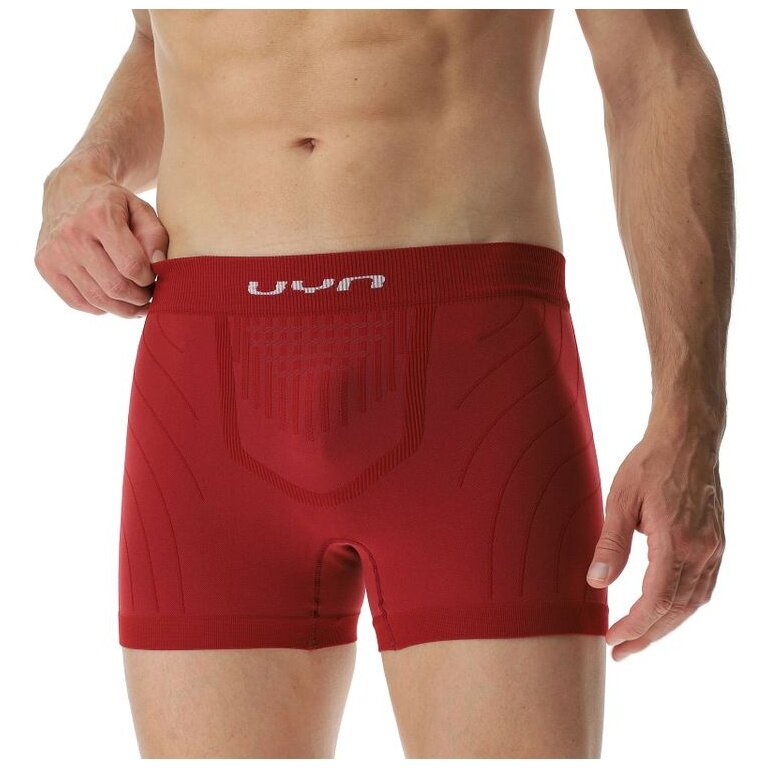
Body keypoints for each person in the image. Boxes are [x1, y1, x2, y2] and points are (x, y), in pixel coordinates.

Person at [34, 9, 733, 759]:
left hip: (472, 379)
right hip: (205, 381)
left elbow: (654, 72)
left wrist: (688, 420)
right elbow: (162, 39)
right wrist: (85, 169)